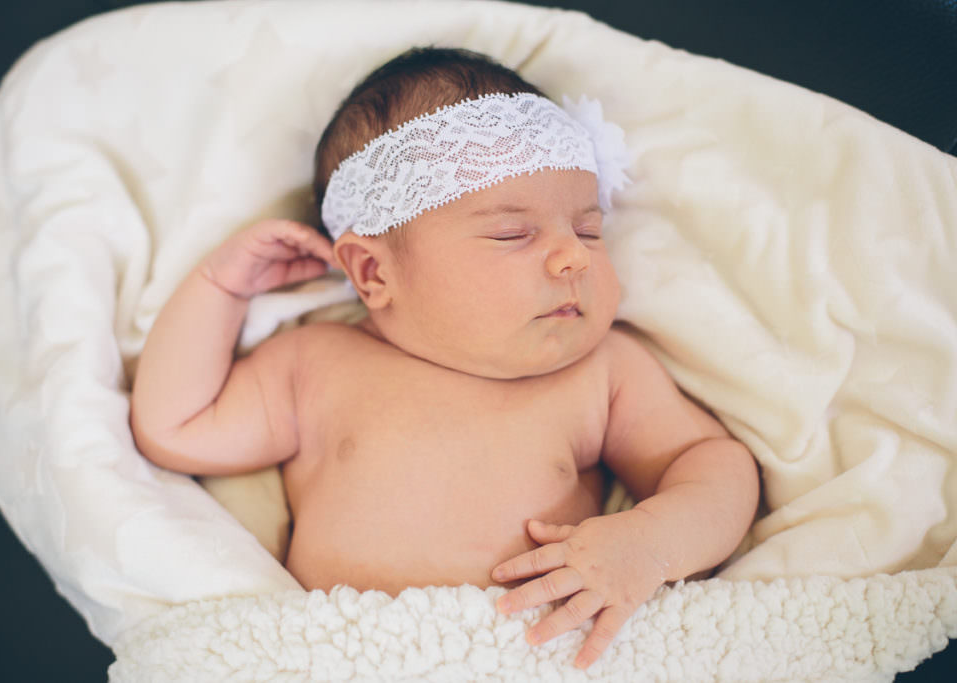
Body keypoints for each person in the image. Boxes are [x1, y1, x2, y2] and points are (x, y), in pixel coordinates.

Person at [130, 47, 759, 670]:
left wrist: (652, 545)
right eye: (514, 234)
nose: (575, 258)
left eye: (588, 230)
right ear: (373, 272)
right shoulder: (314, 366)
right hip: (344, 660)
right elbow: (175, 426)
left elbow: (714, 466)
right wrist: (219, 289)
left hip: (534, 656)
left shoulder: (599, 373)